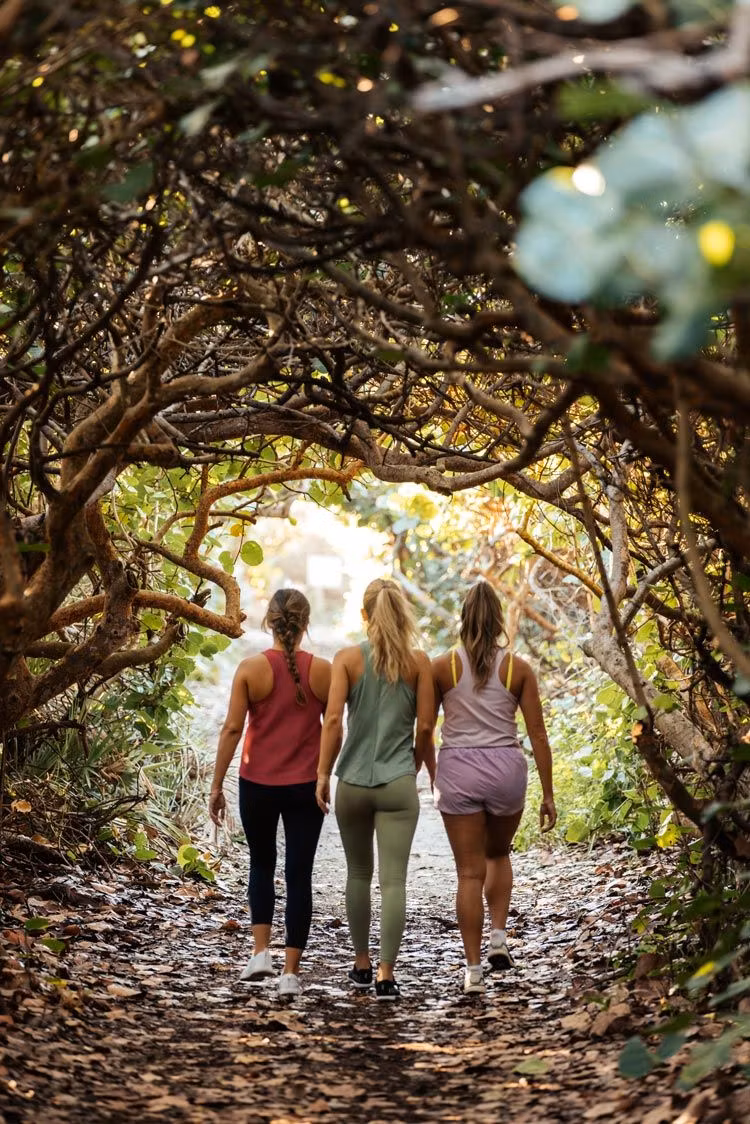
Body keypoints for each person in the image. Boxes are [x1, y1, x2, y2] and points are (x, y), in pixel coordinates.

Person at [432, 580, 556, 995]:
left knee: (469, 872)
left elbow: (423, 728)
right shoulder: (517, 668)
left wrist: (433, 772)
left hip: (459, 770)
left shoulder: (442, 666)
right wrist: (550, 793)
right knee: (498, 853)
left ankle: (472, 972)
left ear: (463, 617)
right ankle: (499, 938)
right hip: (506, 769)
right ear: (499, 619)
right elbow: (537, 734)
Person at [315, 578, 435, 1001]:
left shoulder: (347, 660)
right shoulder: (419, 664)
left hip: (353, 783)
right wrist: (414, 768)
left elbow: (332, 722)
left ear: (364, 615)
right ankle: (387, 973)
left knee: (358, 875)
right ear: (403, 614)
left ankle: (361, 963)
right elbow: (425, 727)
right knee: (394, 882)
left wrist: (322, 775)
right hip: (398, 783)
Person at [209, 588, 331, 998]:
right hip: (304, 788)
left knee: (261, 864)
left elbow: (231, 730)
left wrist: (216, 783)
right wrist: (325, 774)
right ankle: (290, 974)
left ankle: (260, 953)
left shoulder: (250, 669)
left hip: (256, 784)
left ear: (268, 622)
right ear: (306, 624)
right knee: (299, 876)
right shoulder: (324, 672)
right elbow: (335, 728)